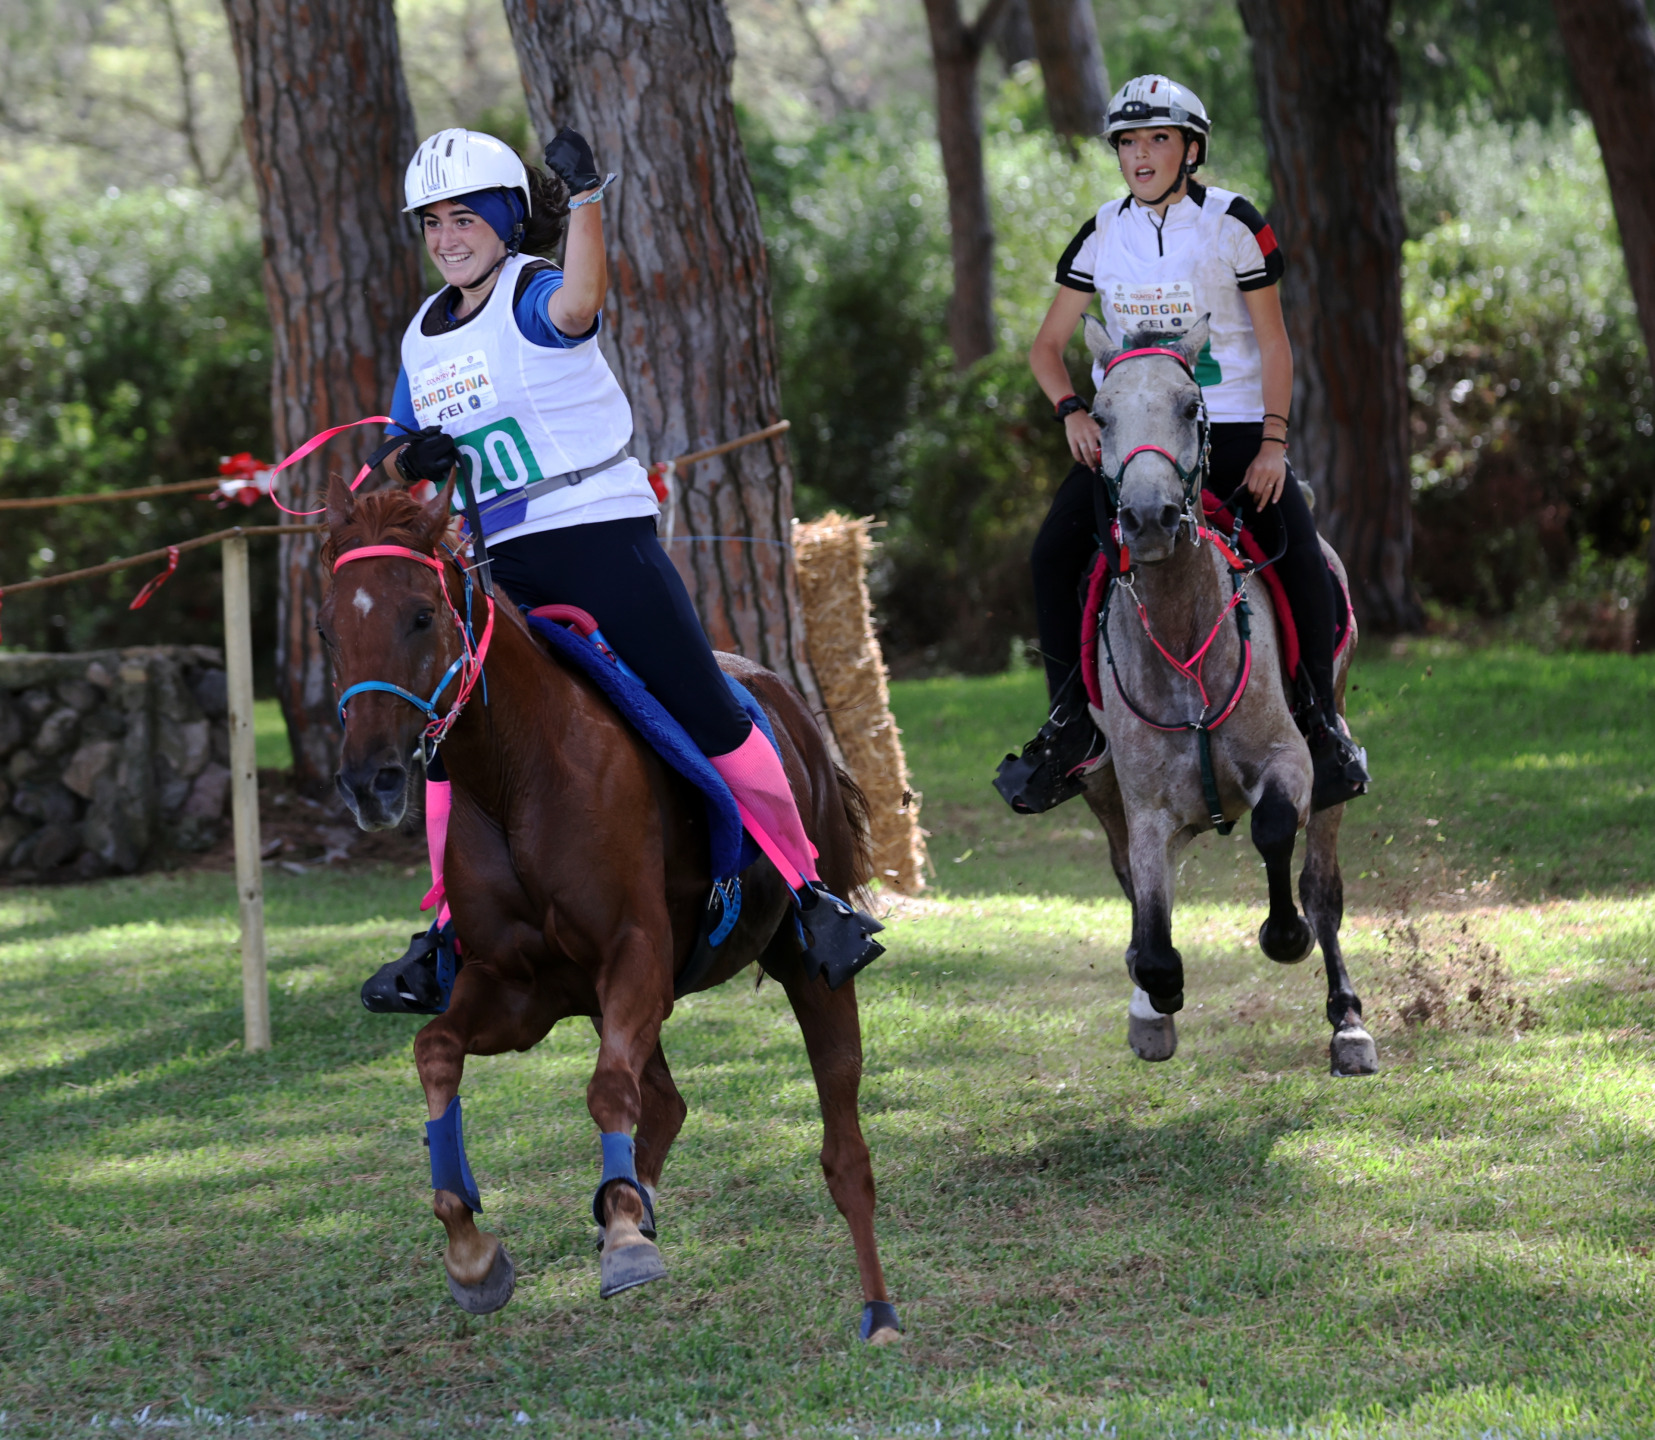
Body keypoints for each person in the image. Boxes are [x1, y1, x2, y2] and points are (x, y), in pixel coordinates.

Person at [359, 127, 880, 1013]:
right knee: (454, 743)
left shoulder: (530, 292)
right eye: (433, 224)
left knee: (707, 710)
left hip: (597, 539)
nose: (448, 238)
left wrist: (589, 200)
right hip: (494, 567)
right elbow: (396, 462)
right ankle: (447, 931)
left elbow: (580, 302)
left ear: (504, 222)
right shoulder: (420, 334)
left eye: (464, 219)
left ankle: (807, 894)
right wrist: (412, 459)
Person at [1001, 74, 1370, 816]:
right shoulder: (1101, 230)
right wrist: (1072, 409)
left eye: (1156, 140)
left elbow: (1274, 344)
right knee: (1050, 555)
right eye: (1127, 143)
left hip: (1228, 427)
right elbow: (1046, 348)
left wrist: (1272, 445)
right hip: (1130, 436)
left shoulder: (1235, 222)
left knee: (1296, 550)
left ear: (1190, 149)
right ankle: (1070, 726)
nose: (1139, 156)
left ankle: (1319, 725)